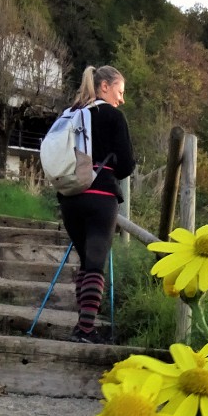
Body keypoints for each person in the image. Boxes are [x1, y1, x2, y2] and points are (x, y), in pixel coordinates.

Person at [58, 65, 135, 344]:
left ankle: (84, 325)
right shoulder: (113, 116)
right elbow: (126, 164)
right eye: (120, 91)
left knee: (86, 262)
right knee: (95, 264)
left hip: (70, 197)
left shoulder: (72, 113)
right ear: (105, 86)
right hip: (101, 195)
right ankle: (86, 330)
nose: (121, 99)